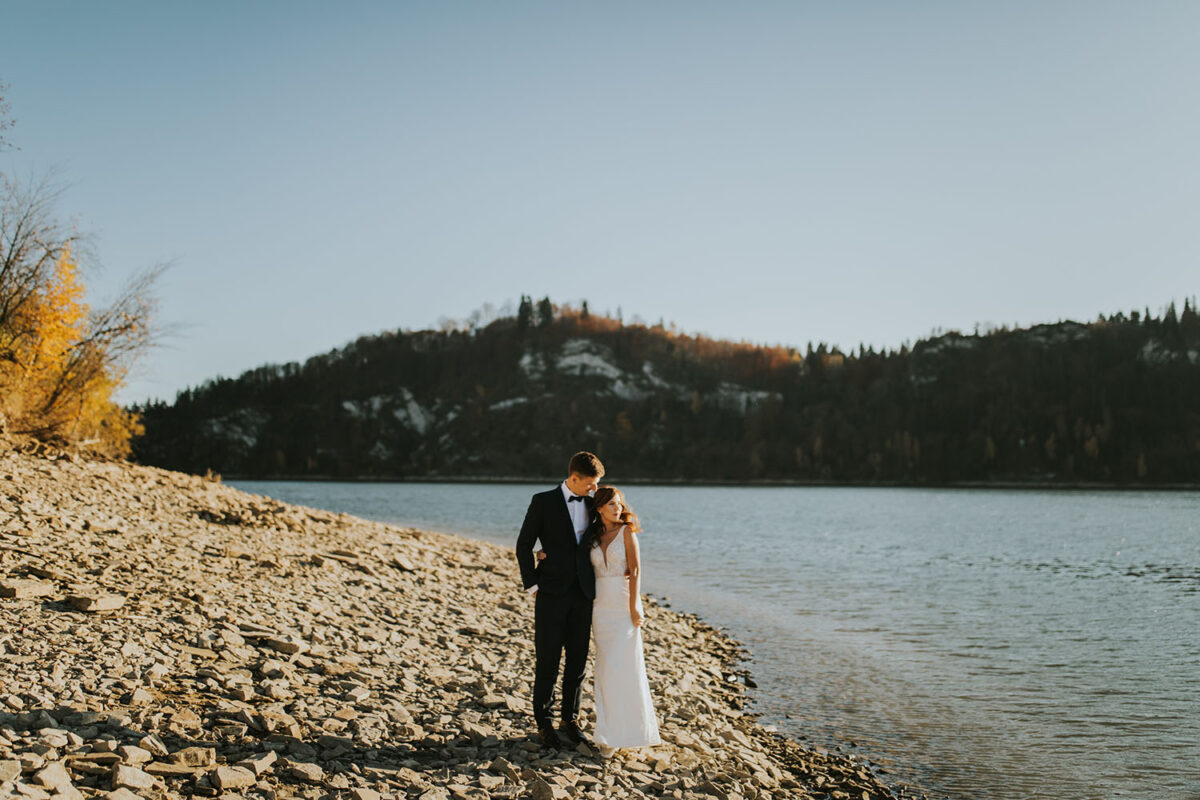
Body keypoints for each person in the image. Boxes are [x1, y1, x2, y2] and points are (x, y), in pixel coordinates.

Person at [515, 451, 603, 749]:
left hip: (583, 595)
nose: (595, 489)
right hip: (550, 593)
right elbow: (524, 545)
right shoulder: (543, 501)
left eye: (598, 483)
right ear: (574, 478)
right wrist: (532, 585)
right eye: (590, 483)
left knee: (577, 661)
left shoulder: (594, 504)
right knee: (548, 660)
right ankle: (544, 723)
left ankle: (570, 719)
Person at [586, 485, 661, 755]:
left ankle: (626, 733)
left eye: (619, 504)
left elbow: (637, 570)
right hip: (599, 608)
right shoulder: (592, 535)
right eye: (611, 505)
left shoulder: (627, 532)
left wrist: (634, 608)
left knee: (624, 667)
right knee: (605, 669)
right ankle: (607, 731)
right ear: (599, 509)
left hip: (623, 606)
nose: (618, 509)